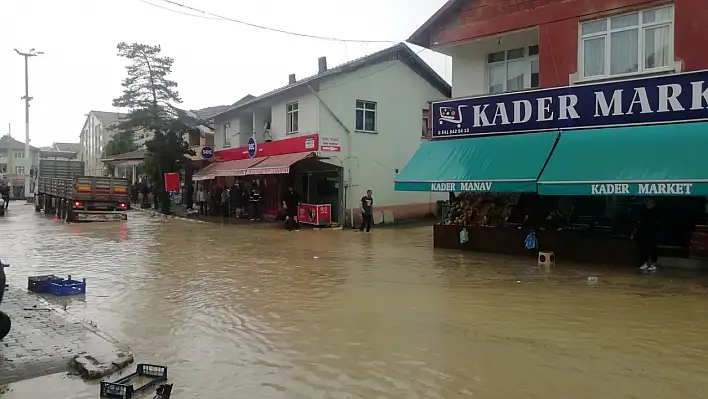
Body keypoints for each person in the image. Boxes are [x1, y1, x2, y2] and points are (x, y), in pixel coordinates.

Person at [635, 199, 659, 271]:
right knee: (644, 248)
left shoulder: (656, 212)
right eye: (647, 203)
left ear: (653, 203)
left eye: (649, 203)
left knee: (652, 249)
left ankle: (653, 264)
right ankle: (645, 263)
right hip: (645, 233)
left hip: (653, 234)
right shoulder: (645, 212)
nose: (647, 204)